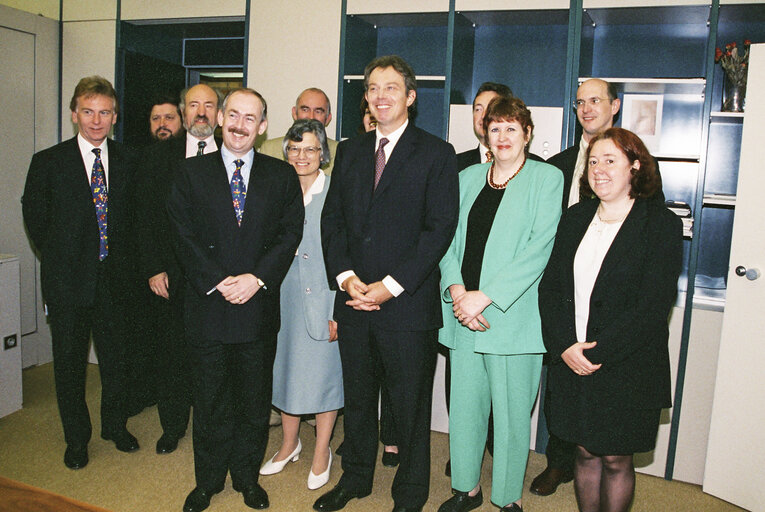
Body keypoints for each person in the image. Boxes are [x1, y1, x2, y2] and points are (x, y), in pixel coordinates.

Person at [317, 55, 459, 512]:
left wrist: (390, 285)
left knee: (409, 408)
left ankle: (410, 494)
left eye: (391, 88)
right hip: (354, 301)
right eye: (373, 87)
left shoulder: (437, 153)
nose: (380, 95)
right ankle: (356, 479)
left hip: (406, 307)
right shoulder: (351, 150)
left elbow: (439, 229)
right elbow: (332, 219)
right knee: (357, 402)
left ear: (410, 97)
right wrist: (346, 278)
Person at [167, 88, 304, 512]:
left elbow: (289, 233)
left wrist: (257, 279)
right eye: (234, 115)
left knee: (252, 402)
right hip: (207, 307)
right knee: (208, 401)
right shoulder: (190, 173)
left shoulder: (281, 176)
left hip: (257, 310)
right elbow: (181, 233)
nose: (240, 125)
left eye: (251, 118)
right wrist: (218, 281)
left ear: (262, 127)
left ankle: (246, 477)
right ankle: (207, 482)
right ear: (222, 117)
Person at [539, 127, 682, 512]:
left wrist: (596, 353)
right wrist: (566, 345)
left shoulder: (661, 225)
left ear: (635, 166)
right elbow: (551, 289)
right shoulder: (575, 218)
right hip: (572, 358)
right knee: (584, 453)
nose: (599, 169)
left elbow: (653, 307)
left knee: (616, 459)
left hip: (626, 364)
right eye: (594, 161)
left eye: (611, 160)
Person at [436, 96, 562, 512]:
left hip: (511, 319)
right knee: (466, 411)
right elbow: (447, 241)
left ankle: (507, 498)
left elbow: (538, 249)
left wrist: (483, 298)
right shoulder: (467, 176)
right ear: (484, 134)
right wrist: (457, 291)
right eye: (495, 128)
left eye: (512, 128)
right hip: (462, 317)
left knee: (510, 419)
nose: (503, 136)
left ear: (527, 133)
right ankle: (466, 489)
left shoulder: (547, 179)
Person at [22, 76, 139, 470]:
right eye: (88, 111)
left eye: (104, 112)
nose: (96, 120)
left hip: (117, 284)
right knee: (70, 365)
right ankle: (77, 439)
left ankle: (114, 426)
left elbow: (136, 222)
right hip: (68, 282)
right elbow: (36, 222)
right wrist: (66, 259)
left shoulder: (129, 161)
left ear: (115, 117)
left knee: (117, 362)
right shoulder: (48, 162)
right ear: (74, 114)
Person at [132, 83, 223, 454]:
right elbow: (146, 218)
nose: (200, 112)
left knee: (215, 358)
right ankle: (172, 426)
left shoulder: (236, 155)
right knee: (172, 354)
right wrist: (154, 267)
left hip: (220, 278)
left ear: (219, 114)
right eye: (193, 105)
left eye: (209, 105)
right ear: (183, 112)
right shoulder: (157, 158)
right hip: (171, 275)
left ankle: (212, 426)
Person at [259, 119, 342, 491]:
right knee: (285, 373)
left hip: (325, 299)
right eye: (294, 148)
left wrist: (338, 310)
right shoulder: (275, 190)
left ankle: (321, 450)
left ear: (323, 153)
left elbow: (347, 254)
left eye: (310, 148)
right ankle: (289, 445)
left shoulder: (336, 194)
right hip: (282, 299)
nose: (302, 156)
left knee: (326, 380)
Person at [456, 82, 544, 172]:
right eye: (478, 109)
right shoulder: (456, 164)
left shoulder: (539, 168)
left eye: (491, 108)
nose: (483, 116)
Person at [259, 87, 339, 174]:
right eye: (305, 110)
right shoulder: (269, 150)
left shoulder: (340, 152)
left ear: (328, 118)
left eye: (318, 111)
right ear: (294, 113)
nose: (311, 117)